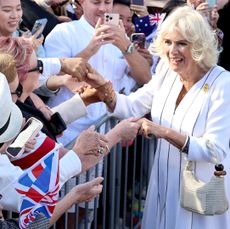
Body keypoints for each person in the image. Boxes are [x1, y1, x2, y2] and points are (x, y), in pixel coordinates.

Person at [82, 6, 230, 228]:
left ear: (199, 46)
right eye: (168, 42)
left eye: (182, 43)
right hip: (162, 183)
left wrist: (163, 131)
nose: (172, 50)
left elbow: (215, 149)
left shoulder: (222, 83)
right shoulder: (166, 72)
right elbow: (133, 105)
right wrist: (104, 90)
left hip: (201, 192)